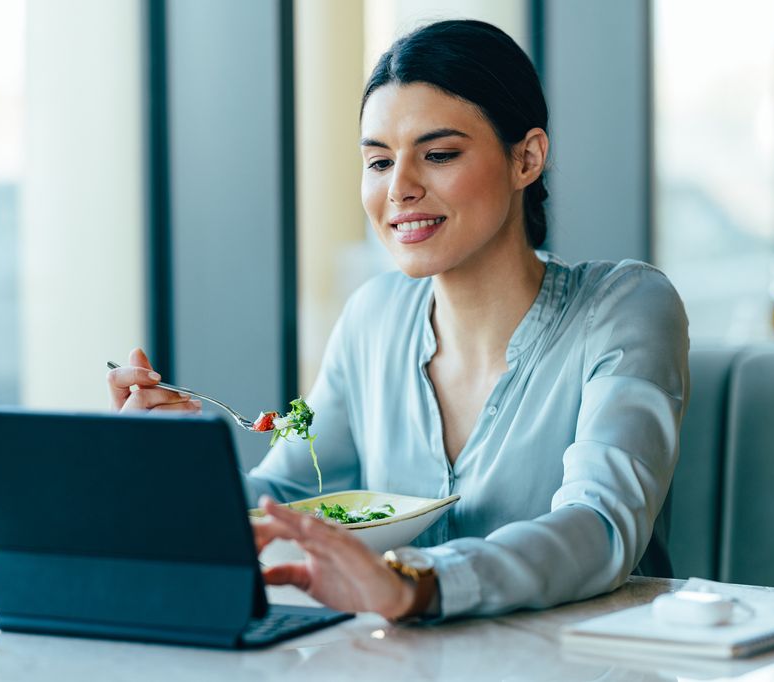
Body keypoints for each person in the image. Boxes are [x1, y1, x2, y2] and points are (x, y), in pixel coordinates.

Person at [108, 19, 689, 623]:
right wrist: (168, 470)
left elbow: (600, 526)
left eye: (438, 155)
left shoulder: (626, 307)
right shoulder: (373, 317)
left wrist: (417, 584)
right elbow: (282, 499)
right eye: (379, 162)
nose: (400, 188)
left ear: (527, 158)